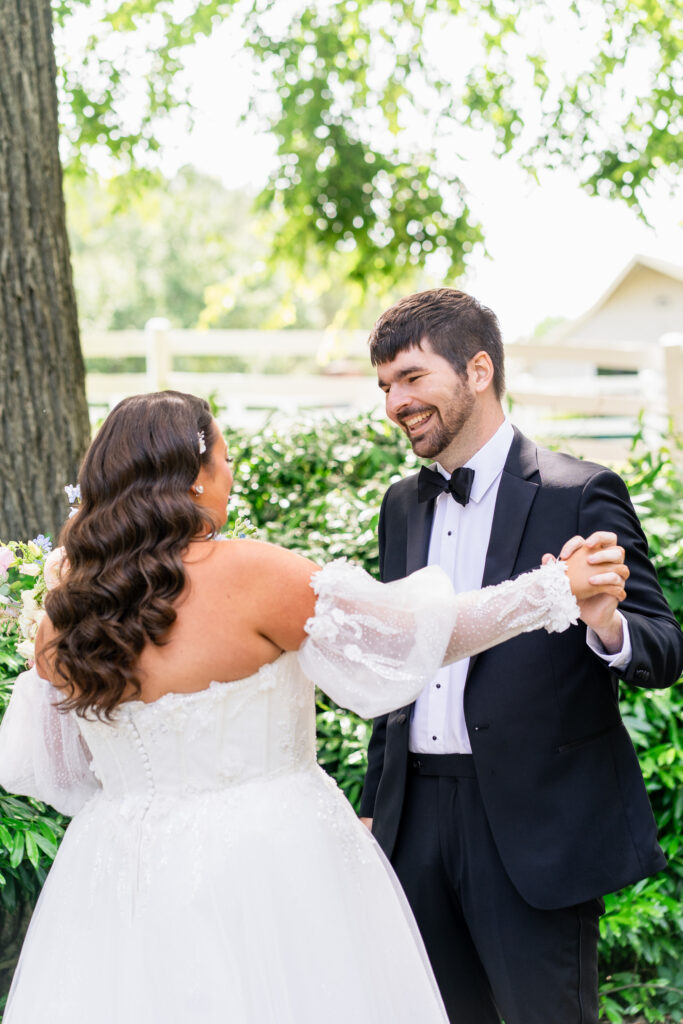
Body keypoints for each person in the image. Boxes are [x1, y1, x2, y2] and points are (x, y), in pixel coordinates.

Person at [0, 391, 629, 1024]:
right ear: (193, 477)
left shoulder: (63, 614)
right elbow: (413, 639)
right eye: (223, 457)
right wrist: (553, 589)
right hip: (268, 860)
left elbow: (60, 771)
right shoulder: (250, 575)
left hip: (116, 873)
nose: (231, 475)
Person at [359, 289, 683, 1024]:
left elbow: (662, 649)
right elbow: (398, 663)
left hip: (533, 828)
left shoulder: (580, 492)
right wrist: (377, 810)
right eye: (384, 386)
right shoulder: (398, 507)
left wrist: (606, 623)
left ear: (477, 370)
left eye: (411, 378)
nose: (394, 404)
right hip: (414, 822)